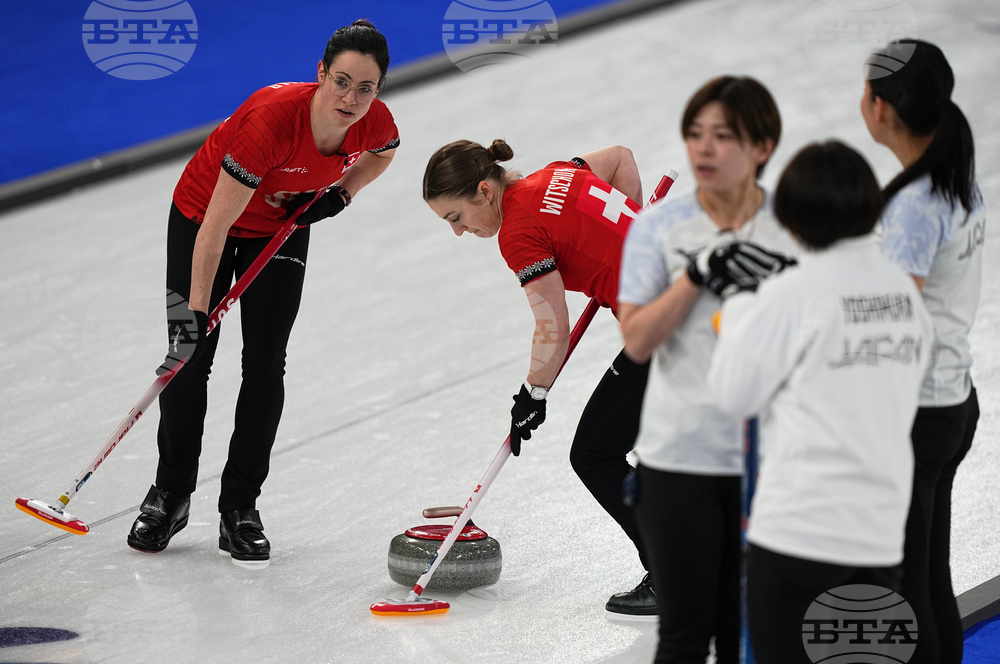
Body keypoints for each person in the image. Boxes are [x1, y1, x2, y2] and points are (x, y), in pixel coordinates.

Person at [126, 19, 399, 568]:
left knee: (266, 362)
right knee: (187, 355)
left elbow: (385, 152)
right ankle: (170, 495)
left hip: (279, 228)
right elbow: (214, 227)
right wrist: (195, 311)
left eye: (365, 88)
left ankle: (240, 507)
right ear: (321, 73)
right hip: (203, 218)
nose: (350, 99)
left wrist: (341, 195)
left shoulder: (374, 123)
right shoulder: (270, 121)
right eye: (341, 82)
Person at [706, 140, 934, 663]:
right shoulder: (903, 291)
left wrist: (739, 305)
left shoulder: (792, 295)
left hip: (800, 536)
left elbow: (731, 395)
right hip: (879, 532)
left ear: (792, 216)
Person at [422, 139, 660, 616]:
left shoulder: (517, 232)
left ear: (485, 192)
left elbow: (552, 325)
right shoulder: (557, 173)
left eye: (456, 217)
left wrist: (533, 395)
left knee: (595, 453)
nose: (458, 231)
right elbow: (619, 157)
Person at [617, 76, 798, 662]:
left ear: (762, 146)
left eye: (723, 136)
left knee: (763, 636)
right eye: (695, 134)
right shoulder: (658, 228)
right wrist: (697, 275)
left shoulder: (795, 226)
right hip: (681, 460)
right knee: (685, 636)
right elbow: (637, 339)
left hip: (772, 462)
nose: (704, 148)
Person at [861, 39, 985, 664]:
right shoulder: (953, 174)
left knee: (907, 590)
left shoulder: (914, 205)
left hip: (920, 413)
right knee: (929, 579)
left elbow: (894, 321)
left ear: (882, 109)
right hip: (952, 399)